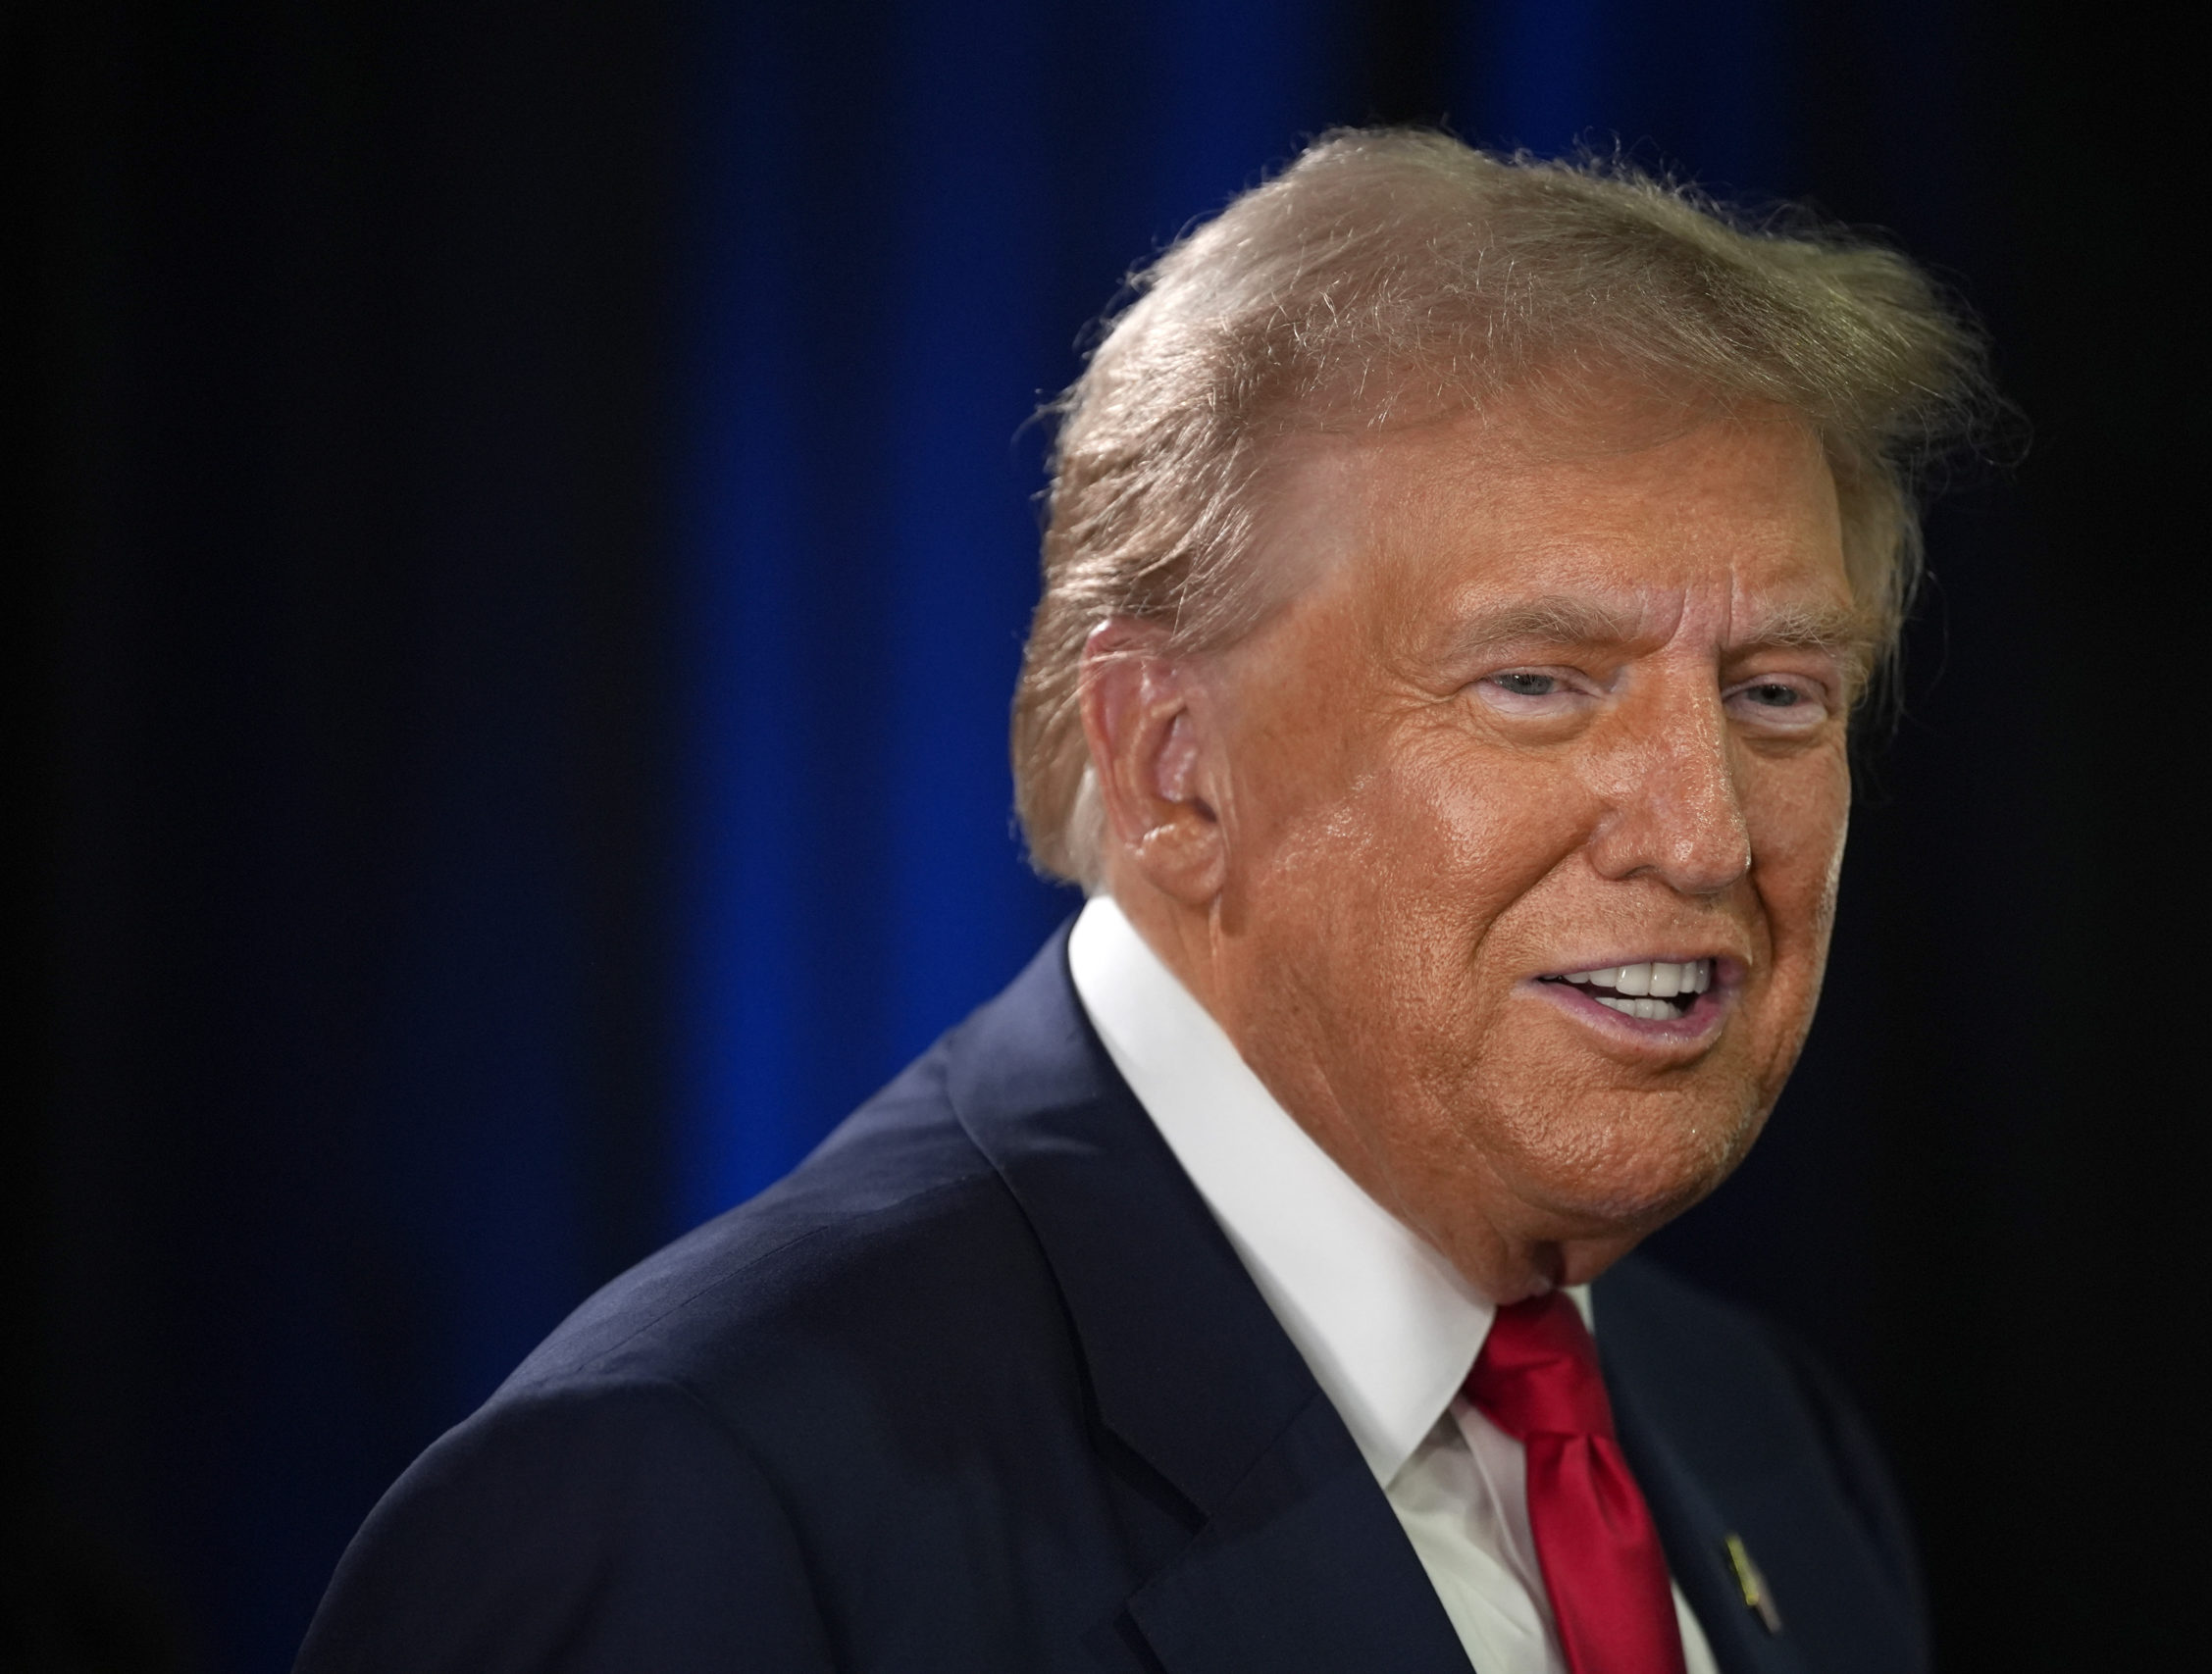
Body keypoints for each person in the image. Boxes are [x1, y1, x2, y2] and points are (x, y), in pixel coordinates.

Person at [298, 128, 1990, 1674]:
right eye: (1541, 683)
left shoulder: (1763, 1434)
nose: (1704, 838)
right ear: (1178, 766)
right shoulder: (694, 1508)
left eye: (1776, 695)